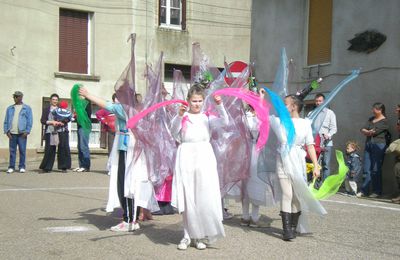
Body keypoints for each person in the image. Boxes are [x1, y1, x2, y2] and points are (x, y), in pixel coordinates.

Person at [79, 87, 158, 232]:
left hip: (128, 149)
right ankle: (132, 219)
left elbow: (108, 105)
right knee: (131, 184)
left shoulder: (126, 110)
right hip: (133, 149)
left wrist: (88, 94)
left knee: (126, 185)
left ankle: (128, 220)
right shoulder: (136, 109)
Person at [170, 83, 228, 250]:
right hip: (186, 154)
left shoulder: (207, 117)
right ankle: (187, 236)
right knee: (188, 196)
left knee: (203, 196)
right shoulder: (183, 115)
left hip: (204, 155)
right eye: (194, 100)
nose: (197, 104)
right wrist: (179, 116)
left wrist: (220, 105)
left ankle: (199, 236)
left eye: (200, 101)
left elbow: (225, 122)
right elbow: (173, 132)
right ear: (188, 100)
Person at [267, 93, 326, 241]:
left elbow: (310, 146)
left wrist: (316, 165)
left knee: (296, 196)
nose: (282, 106)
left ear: (294, 106)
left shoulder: (305, 123)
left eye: (285, 104)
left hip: (298, 160)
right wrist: (261, 99)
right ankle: (287, 230)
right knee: (287, 194)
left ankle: (293, 227)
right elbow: (263, 115)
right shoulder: (279, 121)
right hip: (282, 159)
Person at [240, 105, 267, 227]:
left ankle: (247, 216)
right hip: (254, 151)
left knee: (250, 183)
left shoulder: (249, 117)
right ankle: (251, 217)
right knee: (252, 183)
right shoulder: (250, 118)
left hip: (250, 150)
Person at [360, 102, 388, 197]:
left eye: (374, 109)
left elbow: (374, 132)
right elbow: (362, 129)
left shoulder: (385, 121)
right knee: (366, 168)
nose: (373, 110)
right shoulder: (371, 119)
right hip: (368, 144)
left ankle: (376, 191)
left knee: (376, 168)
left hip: (379, 145)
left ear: (380, 110)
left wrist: (368, 131)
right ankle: (364, 191)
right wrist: (367, 131)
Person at [39, 95, 72, 173]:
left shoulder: (61, 109)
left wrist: (62, 122)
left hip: (62, 130)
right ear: (50, 100)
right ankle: (47, 167)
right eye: (53, 99)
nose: (54, 101)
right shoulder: (46, 109)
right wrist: (52, 122)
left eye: (56, 100)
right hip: (50, 131)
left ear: (58, 101)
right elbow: (43, 120)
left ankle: (63, 167)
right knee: (49, 149)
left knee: (63, 148)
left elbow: (67, 118)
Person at [309, 93, 337, 180]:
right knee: (314, 163)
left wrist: (328, 135)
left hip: (326, 143)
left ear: (324, 102)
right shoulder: (311, 113)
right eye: (316, 101)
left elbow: (334, 128)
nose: (318, 103)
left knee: (326, 164)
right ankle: (314, 183)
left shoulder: (330, 113)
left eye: (320, 101)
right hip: (314, 143)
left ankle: (325, 185)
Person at [3, 91, 33, 173]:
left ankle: (22, 166)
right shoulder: (10, 108)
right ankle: (11, 167)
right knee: (12, 151)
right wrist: (6, 131)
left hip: (22, 133)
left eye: (17, 97)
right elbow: (6, 121)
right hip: (12, 133)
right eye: (14, 97)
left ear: (21, 97)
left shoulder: (26, 108)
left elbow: (30, 121)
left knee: (22, 150)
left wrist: (27, 131)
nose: (15, 98)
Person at [73, 98, 92, 172]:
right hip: (80, 126)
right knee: (80, 146)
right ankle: (81, 165)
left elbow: (86, 115)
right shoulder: (78, 103)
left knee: (83, 146)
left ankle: (86, 166)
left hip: (85, 126)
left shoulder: (87, 102)